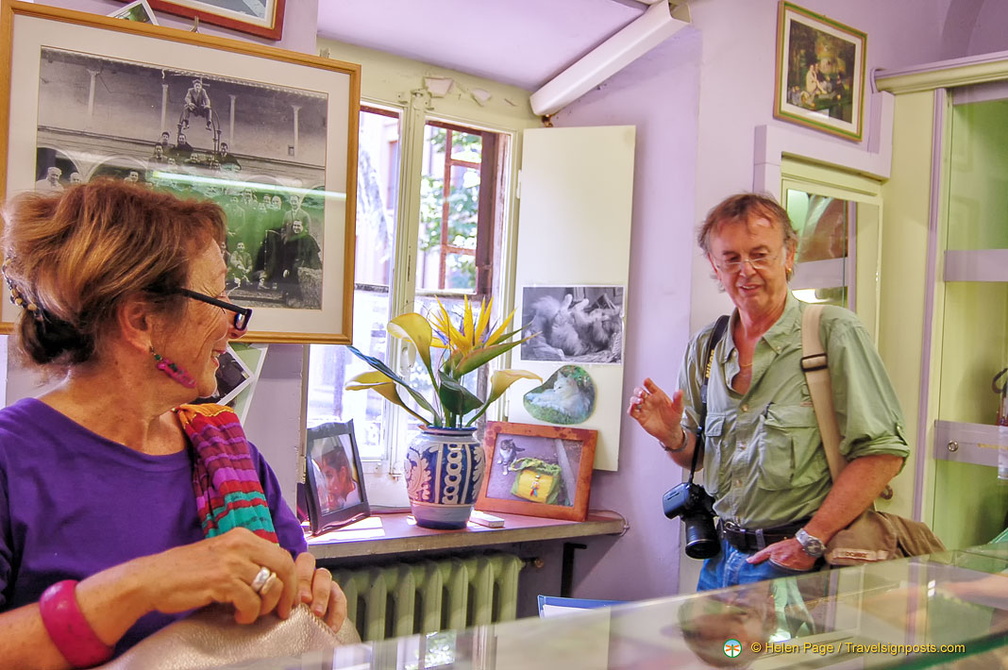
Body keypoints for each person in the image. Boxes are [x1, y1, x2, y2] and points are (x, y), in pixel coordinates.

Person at [0, 180, 348, 667]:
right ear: (141, 321)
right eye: (217, 298)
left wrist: (310, 596)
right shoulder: (11, 460)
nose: (233, 324)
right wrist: (143, 585)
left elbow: (287, 592)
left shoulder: (229, 454)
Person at [628, 193, 908, 590]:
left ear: (789, 255)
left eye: (760, 255)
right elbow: (699, 457)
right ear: (715, 265)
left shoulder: (833, 333)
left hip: (801, 566)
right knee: (717, 655)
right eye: (731, 259)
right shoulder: (706, 347)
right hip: (721, 563)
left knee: (793, 657)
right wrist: (672, 436)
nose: (747, 271)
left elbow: (882, 453)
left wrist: (810, 541)